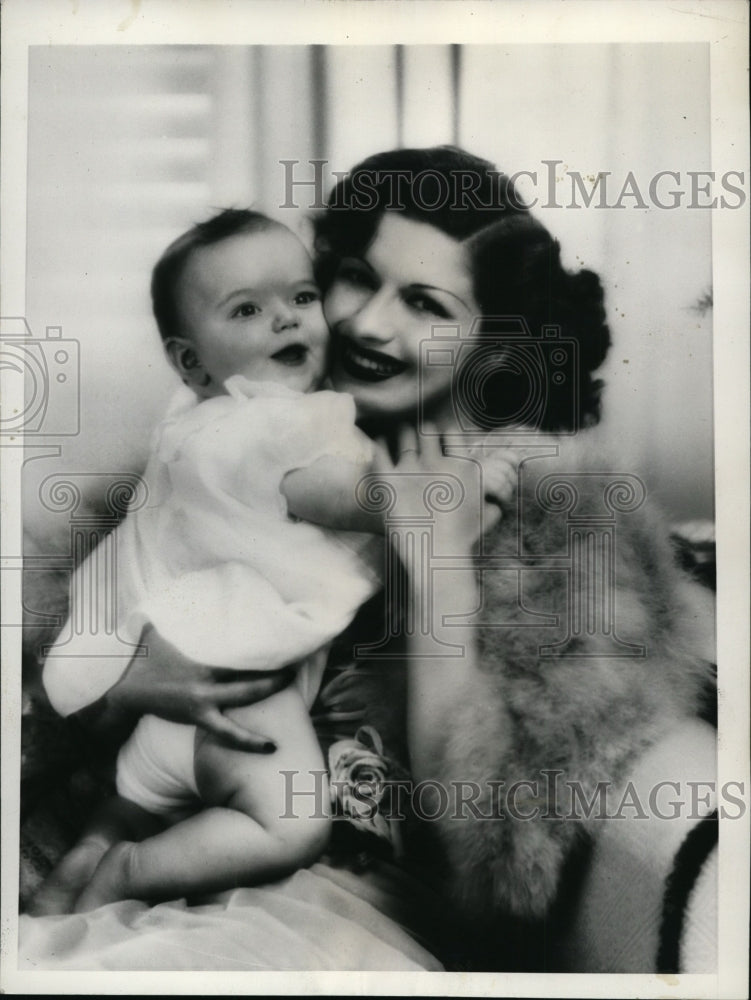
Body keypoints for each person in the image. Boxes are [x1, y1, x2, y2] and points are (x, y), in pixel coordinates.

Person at [23, 147, 715, 971]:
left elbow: (496, 858)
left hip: (341, 915)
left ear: (494, 343)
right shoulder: (238, 448)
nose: (365, 323)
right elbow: (51, 696)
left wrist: (438, 569)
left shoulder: (557, 531)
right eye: (355, 277)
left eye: (424, 303)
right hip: (124, 844)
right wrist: (128, 678)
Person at [34, 208, 396, 913]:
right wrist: (444, 487)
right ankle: (130, 875)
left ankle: (78, 874)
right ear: (192, 362)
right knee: (289, 824)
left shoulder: (190, 424)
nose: (287, 320)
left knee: (122, 818)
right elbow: (346, 498)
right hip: (242, 700)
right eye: (247, 310)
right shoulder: (271, 425)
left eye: (300, 297)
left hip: (158, 720)